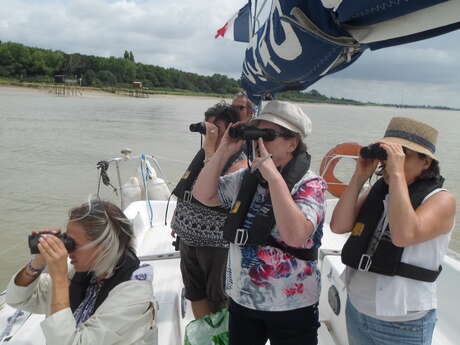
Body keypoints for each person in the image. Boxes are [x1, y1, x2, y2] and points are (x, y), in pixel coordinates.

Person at [193, 100, 327, 345]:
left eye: (269, 136)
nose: (260, 144)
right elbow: (203, 194)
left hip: (293, 305)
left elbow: (296, 236)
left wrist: (275, 178)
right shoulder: (248, 178)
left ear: (292, 143)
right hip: (244, 300)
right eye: (257, 136)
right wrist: (223, 149)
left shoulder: (310, 185)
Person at [330, 117, 456, 345]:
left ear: (426, 162)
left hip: (403, 323)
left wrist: (397, 174)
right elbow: (338, 225)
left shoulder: (441, 200)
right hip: (357, 309)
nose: (390, 162)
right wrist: (359, 176)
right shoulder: (379, 190)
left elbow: (403, 236)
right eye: (387, 155)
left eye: (401, 155)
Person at [6, 200, 156, 345]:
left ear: (104, 246)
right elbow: (17, 299)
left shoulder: (134, 298)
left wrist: (59, 281)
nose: (67, 249)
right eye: (66, 240)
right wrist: (38, 263)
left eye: (73, 243)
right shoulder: (85, 275)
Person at [171, 102, 247, 319]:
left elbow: (212, 190)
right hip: (188, 238)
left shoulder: (240, 161)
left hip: (215, 245)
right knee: (195, 294)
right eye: (208, 127)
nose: (211, 132)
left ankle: (220, 339)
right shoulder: (205, 151)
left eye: (217, 128)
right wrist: (177, 218)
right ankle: (204, 336)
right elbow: (189, 188)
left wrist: (214, 148)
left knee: (217, 298)